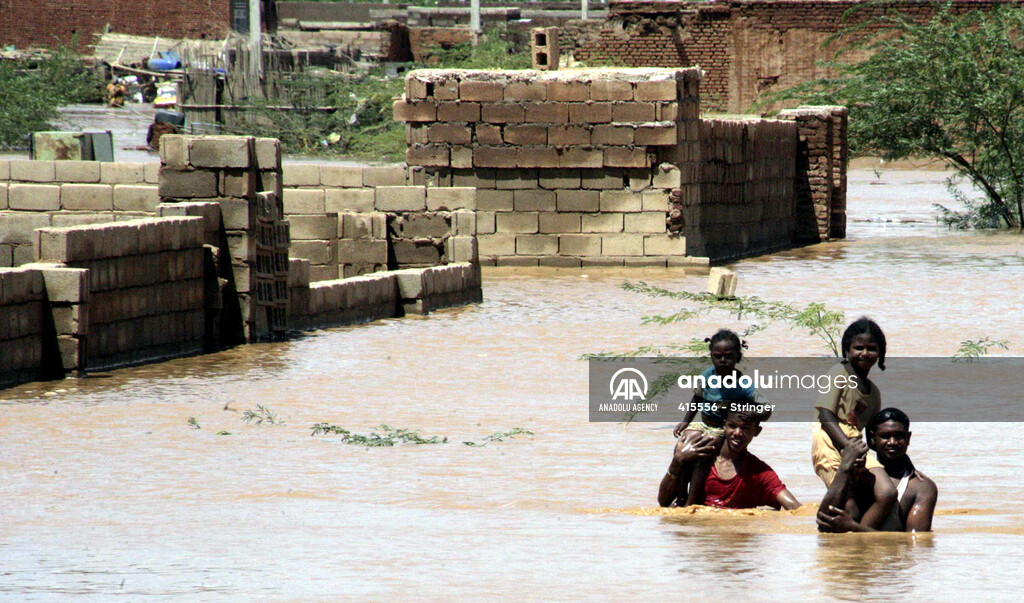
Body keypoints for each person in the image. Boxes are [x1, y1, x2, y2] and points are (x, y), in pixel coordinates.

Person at [812, 317, 897, 529]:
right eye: (859, 348)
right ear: (847, 350)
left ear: (880, 353)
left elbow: (872, 435)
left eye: (871, 348)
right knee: (848, 505)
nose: (865, 353)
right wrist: (847, 448)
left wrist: (900, 466)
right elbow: (825, 416)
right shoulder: (838, 373)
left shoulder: (874, 392)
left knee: (887, 492)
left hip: (857, 447)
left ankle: (861, 533)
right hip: (830, 441)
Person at [671, 329, 770, 506]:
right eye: (718, 356)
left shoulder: (743, 384)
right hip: (704, 424)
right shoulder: (707, 376)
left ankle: (691, 502)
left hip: (723, 429)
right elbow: (697, 399)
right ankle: (680, 496)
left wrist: (752, 414)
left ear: (737, 358)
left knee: (702, 451)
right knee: (683, 445)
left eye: (728, 357)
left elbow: (766, 407)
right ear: (712, 357)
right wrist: (685, 421)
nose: (723, 361)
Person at [817, 408, 937, 532]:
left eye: (899, 436)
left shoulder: (921, 487)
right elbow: (823, 522)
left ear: (908, 438)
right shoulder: (858, 472)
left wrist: (854, 528)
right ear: (872, 438)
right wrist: (844, 468)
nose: (892, 442)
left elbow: (915, 542)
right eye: (885, 436)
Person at [660, 407, 800, 510]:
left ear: (756, 431)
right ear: (723, 425)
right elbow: (663, 502)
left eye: (745, 428)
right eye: (732, 426)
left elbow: (794, 507)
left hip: (737, 543)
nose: (737, 433)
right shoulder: (700, 455)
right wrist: (677, 461)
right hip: (701, 543)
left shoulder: (759, 473)